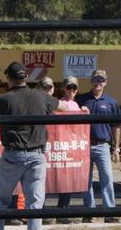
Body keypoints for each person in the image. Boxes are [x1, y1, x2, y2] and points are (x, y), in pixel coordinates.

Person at [0, 62, 59, 230]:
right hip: (37, 155)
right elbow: (61, 106)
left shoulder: (3, 99)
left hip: (13, 155)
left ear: (8, 78)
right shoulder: (40, 95)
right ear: (26, 77)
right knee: (34, 204)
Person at [77, 69, 121, 222]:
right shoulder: (82, 99)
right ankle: (89, 213)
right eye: (96, 79)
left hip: (103, 145)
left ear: (106, 82)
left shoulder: (111, 102)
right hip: (84, 145)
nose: (98, 83)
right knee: (85, 181)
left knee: (107, 179)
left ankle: (109, 214)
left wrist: (116, 148)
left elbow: (116, 126)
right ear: (91, 81)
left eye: (101, 80)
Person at [54, 78, 88, 221]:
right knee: (52, 180)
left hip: (72, 147)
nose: (72, 91)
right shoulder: (58, 104)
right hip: (60, 146)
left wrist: (84, 112)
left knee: (68, 181)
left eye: (74, 88)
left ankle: (63, 211)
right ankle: (42, 212)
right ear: (64, 88)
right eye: (69, 88)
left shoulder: (75, 104)